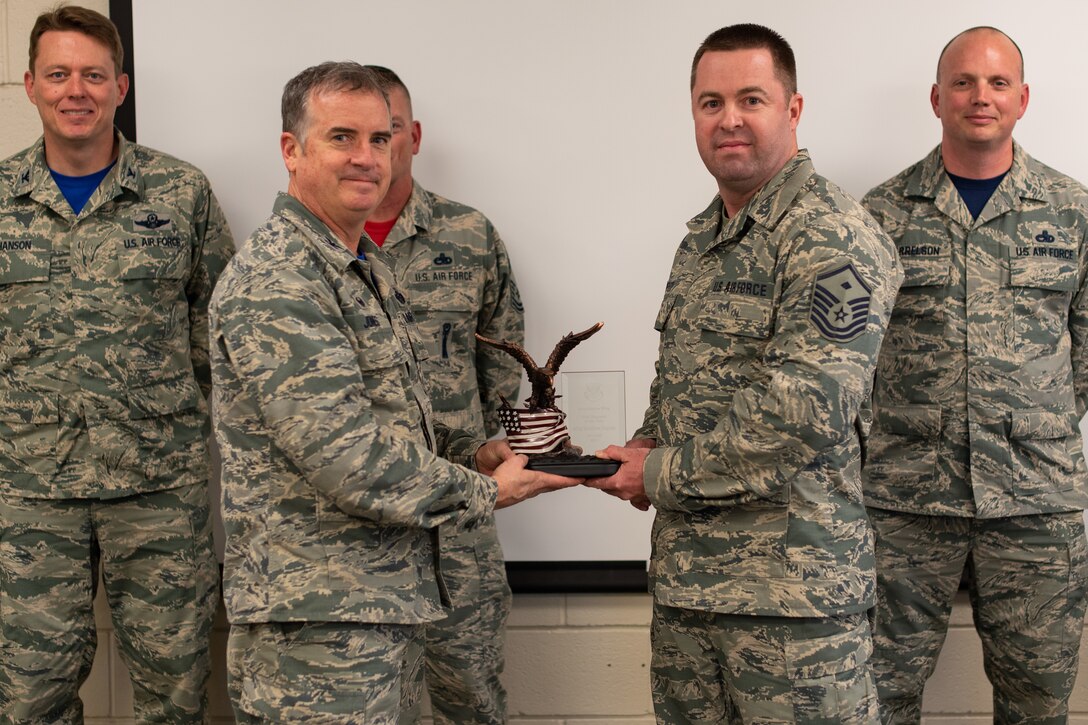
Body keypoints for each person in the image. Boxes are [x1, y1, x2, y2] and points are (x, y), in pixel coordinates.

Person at [210, 61, 578, 723]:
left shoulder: (354, 268)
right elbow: (346, 455)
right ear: (291, 150)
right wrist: (485, 491)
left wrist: (470, 460)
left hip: (379, 610)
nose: (366, 157)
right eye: (342, 137)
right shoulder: (280, 279)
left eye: (381, 139)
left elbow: (389, 430)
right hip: (317, 633)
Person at [587, 24, 901, 723]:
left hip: (793, 611)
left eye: (750, 98)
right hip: (690, 593)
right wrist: (637, 451)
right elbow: (688, 393)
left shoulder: (831, 236)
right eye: (710, 102)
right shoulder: (704, 238)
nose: (728, 118)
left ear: (792, 110)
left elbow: (801, 413)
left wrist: (659, 473)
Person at [0, 5, 233, 723]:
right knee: (28, 698)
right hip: (30, 489)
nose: (78, 90)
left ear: (120, 87)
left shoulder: (180, 193)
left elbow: (218, 330)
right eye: (60, 74)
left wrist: (172, 419)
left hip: (158, 486)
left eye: (94, 75)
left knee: (175, 693)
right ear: (31, 85)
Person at [861, 26, 1088, 724]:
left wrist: (1031, 426)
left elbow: (1084, 352)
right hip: (905, 503)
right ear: (937, 97)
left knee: (1038, 704)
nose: (979, 97)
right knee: (878, 698)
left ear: (1023, 98)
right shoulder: (880, 214)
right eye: (963, 82)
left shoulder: (1073, 212)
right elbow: (853, 362)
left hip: (1035, 504)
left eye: (996, 83)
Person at [358, 64, 523, 724]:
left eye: (388, 130)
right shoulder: (306, 253)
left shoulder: (469, 235)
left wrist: (487, 449)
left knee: (473, 701)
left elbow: (504, 354)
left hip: (458, 517)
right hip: (356, 527)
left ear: (414, 135)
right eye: (356, 135)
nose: (373, 149)